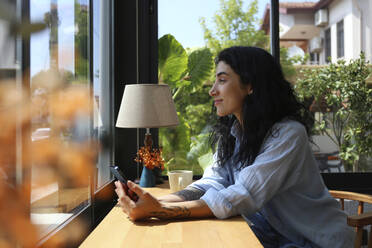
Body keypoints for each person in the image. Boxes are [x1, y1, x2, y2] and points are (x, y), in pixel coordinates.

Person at [115, 46, 354, 247]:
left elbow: (242, 195)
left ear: (250, 85)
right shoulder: (235, 132)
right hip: (273, 234)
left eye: (222, 80)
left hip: (313, 241)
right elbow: (214, 181)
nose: (212, 91)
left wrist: (161, 211)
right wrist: (161, 202)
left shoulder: (288, 133)